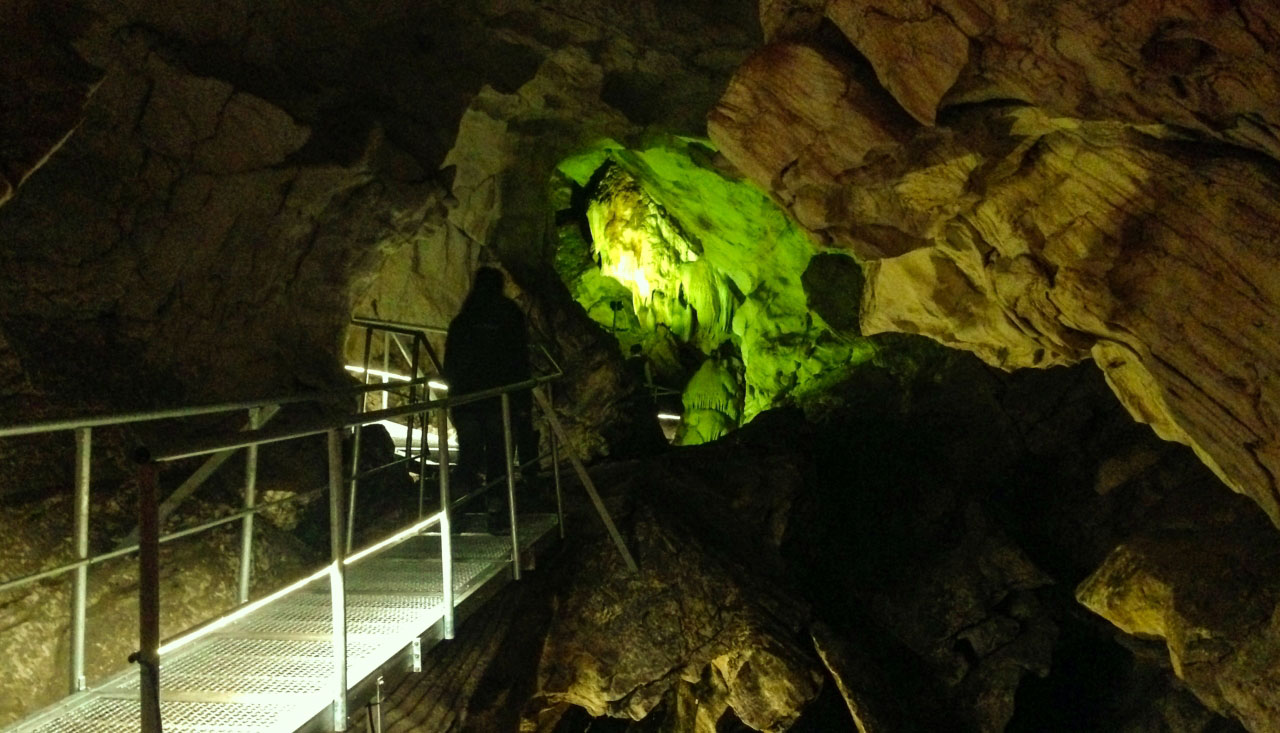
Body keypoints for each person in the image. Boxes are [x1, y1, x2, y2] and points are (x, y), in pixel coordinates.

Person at [443, 267, 538, 533]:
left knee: (469, 457)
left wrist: (457, 396)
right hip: (500, 401)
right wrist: (522, 403)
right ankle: (496, 514)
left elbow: (450, 366)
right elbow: (519, 361)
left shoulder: (463, 320)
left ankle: (457, 510)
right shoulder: (509, 315)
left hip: (466, 402)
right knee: (499, 456)